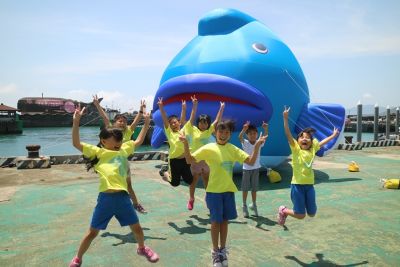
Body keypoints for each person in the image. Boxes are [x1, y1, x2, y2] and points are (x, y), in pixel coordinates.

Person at [69, 106, 159, 267]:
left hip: (123, 198)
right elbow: (76, 143)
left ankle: (142, 248)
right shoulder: (97, 152)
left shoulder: (123, 150)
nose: (119, 141)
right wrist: (76, 122)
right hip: (105, 199)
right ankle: (78, 258)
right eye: (116, 139)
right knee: (92, 233)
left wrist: (146, 123)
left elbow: (138, 141)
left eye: (120, 139)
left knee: (137, 229)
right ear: (103, 141)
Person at [180, 120, 267, 267]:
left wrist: (257, 145)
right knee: (215, 222)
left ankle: (222, 250)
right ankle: (215, 252)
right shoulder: (209, 148)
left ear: (230, 134)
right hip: (213, 191)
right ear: (215, 132)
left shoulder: (233, 149)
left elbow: (251, 162)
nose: (223, 134)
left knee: (225, 221)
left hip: (228, 191)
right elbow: (189, 159)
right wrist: (186, 144)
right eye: (221, 131)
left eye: (227, 132)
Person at [277, 106, 339, 226]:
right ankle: (283, 210)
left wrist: (333, 135)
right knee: (300, 215)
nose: (305, 139)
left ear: (311, 142)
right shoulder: (296, 150)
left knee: (312, 213)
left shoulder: (312, 150)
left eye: (308, 138)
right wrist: (285, 119)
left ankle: (295, 208)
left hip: (310, 186)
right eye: (302, 137)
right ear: (298, 140)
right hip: (297, 186)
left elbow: (322, 142)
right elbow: (288, 134)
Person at [93, 95, 147, 214]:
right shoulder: (110, 129)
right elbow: (104, 117)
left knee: (128, 185)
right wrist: (97, 105)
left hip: (122, 162)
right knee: (108, 186)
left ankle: (136, 204)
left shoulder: (128, 131)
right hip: (109, 162)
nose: (122, 123)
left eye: (124, 121)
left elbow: (137, 120)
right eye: (120, 121)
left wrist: (141, 110)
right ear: (115, 122)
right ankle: (101, 205)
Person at [184, 95, 225, 210]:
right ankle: (191, 199)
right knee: (193, 181)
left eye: (205, 122)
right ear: (198, 123)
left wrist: (221, 108)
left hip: (206, 161)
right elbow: (191, 119)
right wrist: (194, 105)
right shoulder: (193, 130)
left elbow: (217, 121)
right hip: (195, 160)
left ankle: (208, 198)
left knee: (207, 181)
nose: (203, 124)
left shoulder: (209, 131)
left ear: (208, 124)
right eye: (201, 122)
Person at [157, 97, 196, 209]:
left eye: (175, 122)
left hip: (185, 160)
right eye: (171, 123)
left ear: (179, 123)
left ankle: (174, 175)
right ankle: (164, 173)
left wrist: (191, 106)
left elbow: (190, 117)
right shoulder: (170, 133)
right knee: (175, 184)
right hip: (174, 161)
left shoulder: (184, 130)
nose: (173, 124)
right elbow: (165, 120)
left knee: (190, 180)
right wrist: (161, 106)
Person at [238, 121, 268, 217]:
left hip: (256, 169)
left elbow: (265, 136)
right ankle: (244, 205)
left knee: (254, 189)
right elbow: (240, 137)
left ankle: (254, 205)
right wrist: (244, 129)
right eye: (250, 133)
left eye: (254, 133)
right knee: (245, 188)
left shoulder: (259, 142)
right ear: (247, 135)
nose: (252, 135)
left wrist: (265, 128)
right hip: (246, 169)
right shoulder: (245, 143)